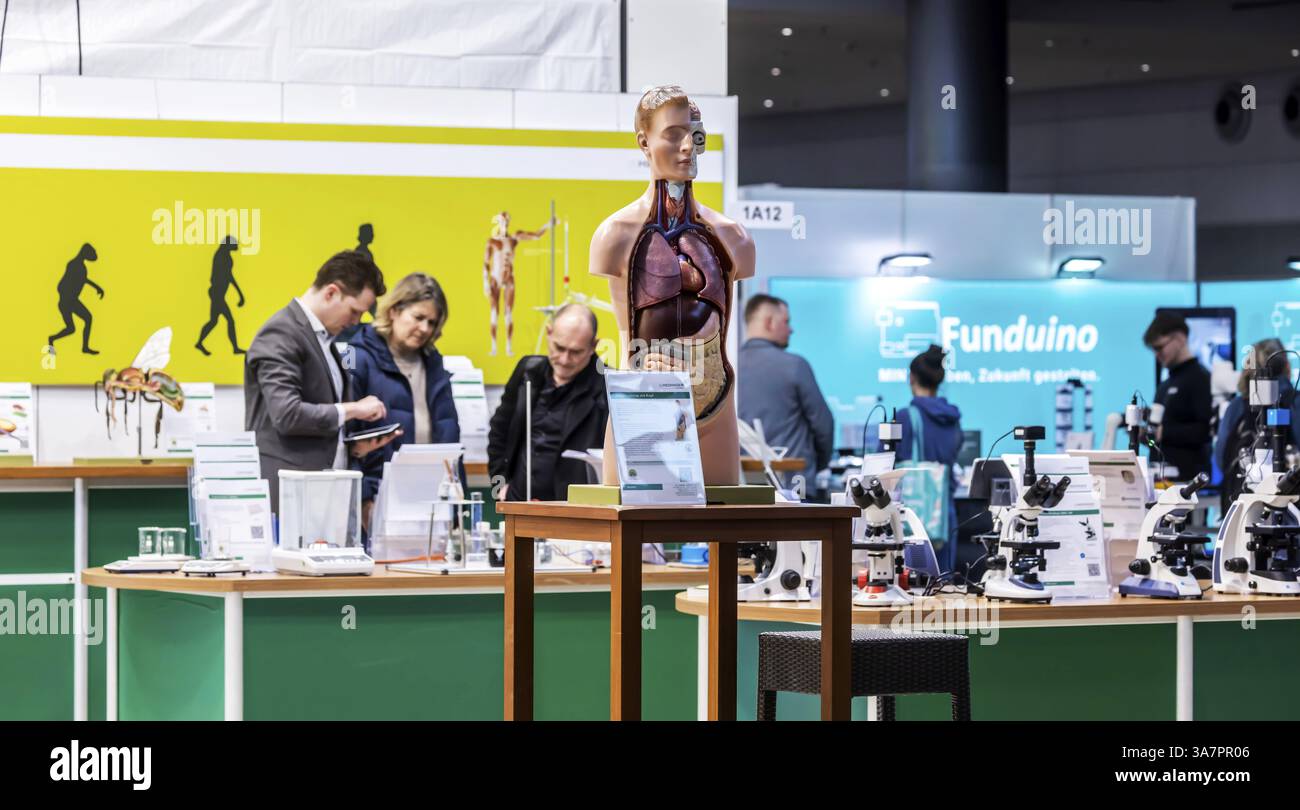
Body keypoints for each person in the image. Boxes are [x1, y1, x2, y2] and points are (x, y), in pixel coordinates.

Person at [244, 250, 399, 507]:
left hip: (326, 492)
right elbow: (287, 414)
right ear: (331, 293)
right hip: (290, 497)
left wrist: (354, 446)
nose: (356, 322)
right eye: (354, 311)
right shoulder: (281, 333)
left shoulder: (325, 339)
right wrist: (353, 409)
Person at [344, 272, 460, 530]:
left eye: (432, 322)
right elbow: (349, 441)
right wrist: (364, 499)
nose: (425, 329)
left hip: (432, 495)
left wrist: (457, 500)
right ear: (395, 310)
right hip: (380, 495)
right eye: (418, 318)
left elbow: (449, 433)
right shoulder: (357, 356)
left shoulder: (434, 364)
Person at [488, 303, 607, 502]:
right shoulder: (527, 371)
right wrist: (499, 486)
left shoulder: (606, 387)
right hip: (518, 503)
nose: (564, 359)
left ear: (593, 346)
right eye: (559, 348)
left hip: (576, 512)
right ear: (549, 333)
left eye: (576, 352)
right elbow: (499, 431)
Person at [737, 293, 834, 499]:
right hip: (793, 490)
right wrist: (816, 465)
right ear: (769, 322)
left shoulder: (727, 368)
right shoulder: (795, 366)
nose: (791, 329)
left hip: (742, 492)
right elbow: (823, 425)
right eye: (786, 321)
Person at [894, 345, 964, 571]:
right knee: (943, 588)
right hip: (944, 513)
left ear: (912, 377)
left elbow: (883, 465)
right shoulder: (952, 419)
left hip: (914, 513)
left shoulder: (905, 417)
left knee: (911, 588)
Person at [1214, 338, 1300, 506]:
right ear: (1287, 367)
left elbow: (1220, 459)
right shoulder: (1295, 403)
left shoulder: (1236, 406)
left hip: (1241, 505)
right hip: (1291, 506)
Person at [1144, 313, 1213, 480]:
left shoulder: (1201, 379)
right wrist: (1146, 435)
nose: (1157, 355)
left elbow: (1205, 431)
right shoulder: (1165, 385)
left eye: (1160, 347)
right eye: (1153, 349)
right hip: (1159, 482)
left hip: (1188, 484)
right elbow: (1158, 436)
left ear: (1180, 338)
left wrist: (1164, 432)